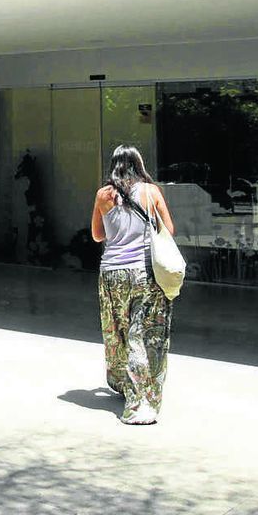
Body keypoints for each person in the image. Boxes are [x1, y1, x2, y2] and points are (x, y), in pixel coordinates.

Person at [91, 145, 175, 425]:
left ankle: (124, 383)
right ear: (138, 164)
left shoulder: (104, 195)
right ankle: (139, 403)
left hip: (112, 273)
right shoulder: (151, 192)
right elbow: (169, 231)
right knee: (143, 335)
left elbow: (97, 235)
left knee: (119, 332)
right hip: (144, 272)